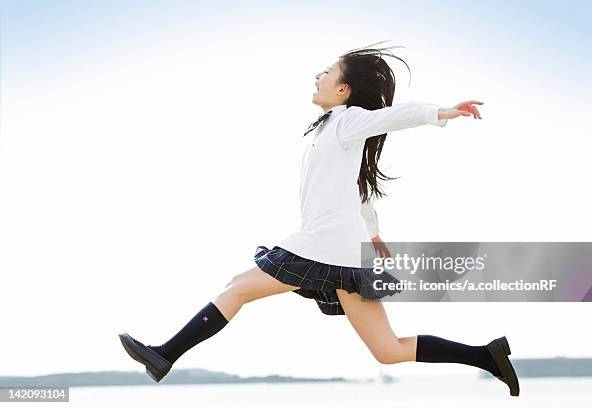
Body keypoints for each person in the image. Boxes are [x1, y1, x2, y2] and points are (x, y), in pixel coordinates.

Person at [119, 42, 519, 397]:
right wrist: (375, 235)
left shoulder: (348, 121)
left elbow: (395, 116)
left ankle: (163, 355)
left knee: (237, 287)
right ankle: (487, 356)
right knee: (388, 350)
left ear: (343, 89)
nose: (318, 75)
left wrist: (441, 112)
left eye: (327, 72)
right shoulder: (332, 129)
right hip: (343, 251)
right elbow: (358, 193)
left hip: (324, 246)